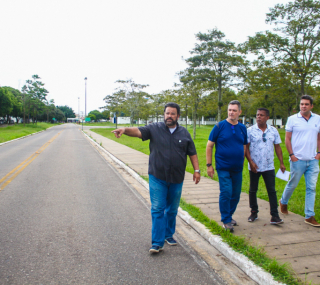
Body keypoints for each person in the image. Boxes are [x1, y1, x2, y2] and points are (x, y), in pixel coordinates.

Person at [112, 102, 201, 252]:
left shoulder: (184, 133)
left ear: (178, 116)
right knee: (158, 209)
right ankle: (157, 242)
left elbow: (192, 152)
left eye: (173, 114)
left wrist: (197, 170)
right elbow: (138, 131)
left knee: (172, 210)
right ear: (164, 114)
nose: (169, 116)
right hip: (157, 176)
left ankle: (168, 234)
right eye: (167, 113)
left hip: (177, 178)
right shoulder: (155, 128)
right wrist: (125, 129)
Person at [206, 100, 247, 232]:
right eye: (229, 110)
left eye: (234, 110)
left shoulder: (243, 128)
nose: (231, 112)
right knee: (226, 192)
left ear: (239, 112)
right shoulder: (219, 127)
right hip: (223, 166)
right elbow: (209, 145)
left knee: (236, 194)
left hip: (237, 168)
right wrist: (209, 165)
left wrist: (244, 159)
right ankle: (226, 220)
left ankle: (229, 215)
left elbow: (244, 145)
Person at [279, 95, 320, 227]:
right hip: (297, 160)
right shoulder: (292, 119)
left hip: (313, 160)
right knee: (293, 184)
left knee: (311, 188)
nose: (304, 106)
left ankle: (309, 215)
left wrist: (318, 153)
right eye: (302, 104)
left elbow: (319, 138)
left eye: (306, 104)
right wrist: (292, 155)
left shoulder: (318, 119)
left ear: (311, 106)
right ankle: (283, 201)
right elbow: (287, 139)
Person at [245, 108, 285, 224]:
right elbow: (246, 148)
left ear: (267, 118)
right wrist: (250, 161)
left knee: (271, 191)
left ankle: (275, 215)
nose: (258, 117)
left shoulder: (273, 131)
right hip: (254, 166)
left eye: (261, 115)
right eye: (257, 115)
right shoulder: (250, 130)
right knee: (253, 190)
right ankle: (253, 212)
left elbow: (277, 147)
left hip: (269, 166)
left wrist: (281, 163)